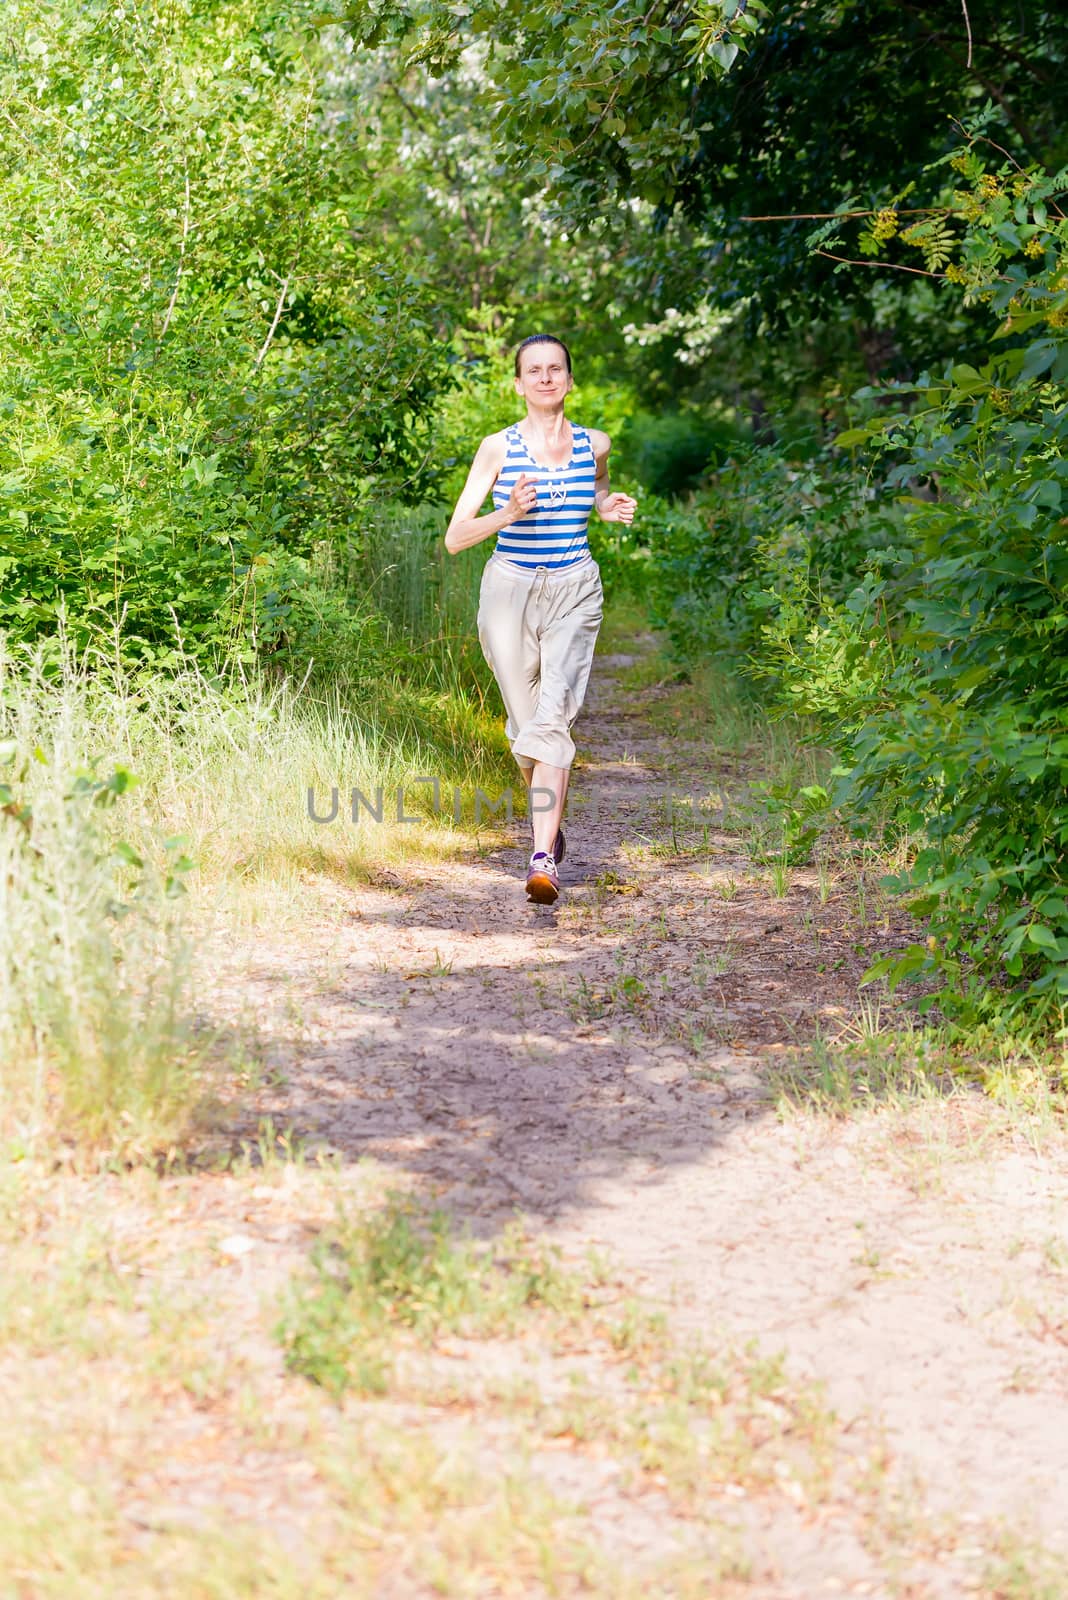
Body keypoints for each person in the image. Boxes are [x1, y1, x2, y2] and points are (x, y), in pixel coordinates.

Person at [445, 334, 637, 904]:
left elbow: (596, 486)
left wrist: (605, 505)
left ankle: (541, 857)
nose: (547, 378)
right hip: (509, 593)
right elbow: (456, 538)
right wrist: (509, 512)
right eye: (535, 370)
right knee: (527, 732)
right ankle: (550, 823)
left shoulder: (593, 443)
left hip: (575, 588)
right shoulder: (497, 450)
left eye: (557, 369)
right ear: (519, 384)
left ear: (570, 380)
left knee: (552, 721)